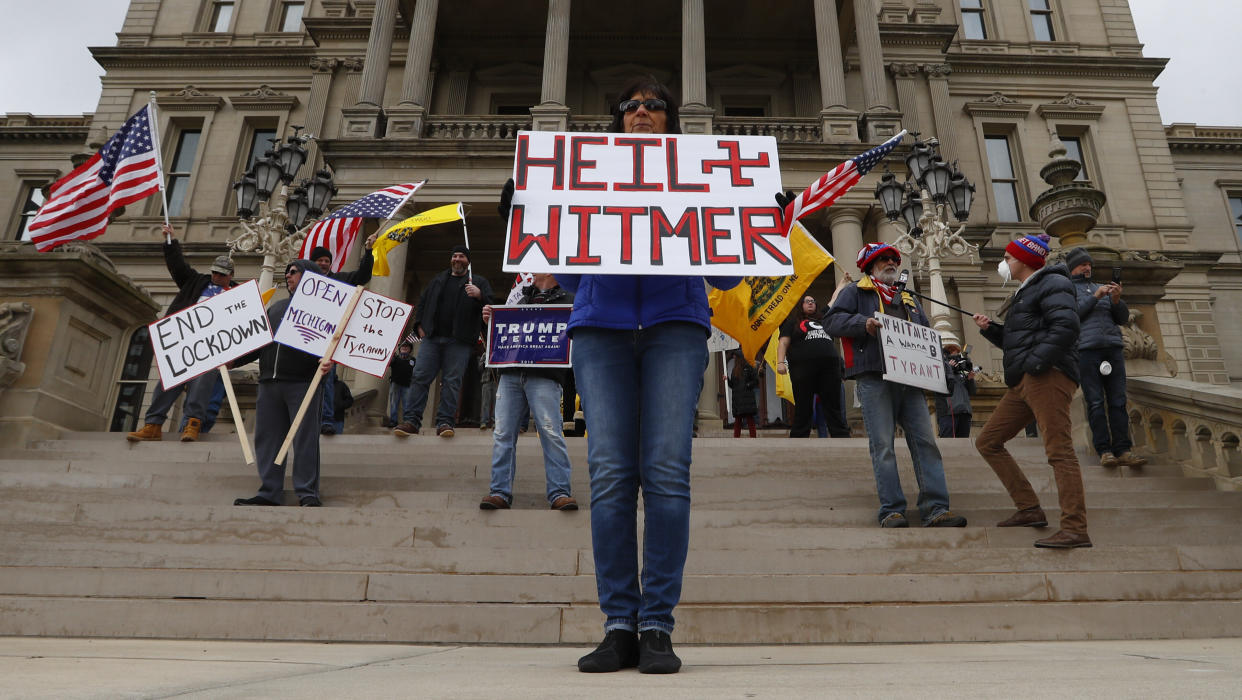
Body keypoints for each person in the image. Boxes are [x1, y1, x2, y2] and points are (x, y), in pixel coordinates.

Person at [500, 77, 741, 674]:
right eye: (629, 106)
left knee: (665, 470)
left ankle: (656, 624)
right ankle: (618, 624)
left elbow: (730, 281)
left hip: (676, 326)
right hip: (601, 329)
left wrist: (756, 222)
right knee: (609, 474)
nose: (641, 112)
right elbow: (561, 269)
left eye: (654, 105)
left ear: (670, 120)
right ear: (616, 120)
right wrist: (529, 218)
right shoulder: (587, 177)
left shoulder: (699, 177)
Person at [823, 243, 967, 529]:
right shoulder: (855, 291)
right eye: (883, 259)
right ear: (870, 266)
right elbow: (832, 322)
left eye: (894, 259)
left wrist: (945, 377)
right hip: (874, 377)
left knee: (926, 443)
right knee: (883, 446)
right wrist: (864, 323)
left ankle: (936, 508)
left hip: (911, 381)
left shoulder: (908, 299)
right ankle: (892, 509)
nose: (891, 263)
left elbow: (927, 337)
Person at [973, 233, 1091, 549]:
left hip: (1046, 377)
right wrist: (991, 331)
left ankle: (1075, 528)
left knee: (1059, 450)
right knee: (988, 441)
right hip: (1026, 380)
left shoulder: (1053, 283)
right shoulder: (1028, 290)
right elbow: (1024, 340)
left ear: (1024, 260)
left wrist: (1036, 364)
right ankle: (1029, 508)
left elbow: (1066, 327)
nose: (1004, 263)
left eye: (1009, 258)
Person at [232, 259, 332, 507]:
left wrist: (331, 363)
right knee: (268, 439)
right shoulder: (275, 309)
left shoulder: (322, 310)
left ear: (308, 276)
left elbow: (335, 345)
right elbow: (258, 344)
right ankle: (269, 491)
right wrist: (231, 361)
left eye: (294, 271)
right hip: (269, 383)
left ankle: (307, 492)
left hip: (303, 383)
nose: (288, 275)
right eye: (287, 271)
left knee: (304, 440)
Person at [127, 224, 237, 443]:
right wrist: (170, 242)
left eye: (222, 274)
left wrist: (234, 355)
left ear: (231, 275)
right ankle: (153, 425)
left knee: (202, 385)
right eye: (214, 272)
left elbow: (243, 328)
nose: (216, 277)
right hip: (184, 341)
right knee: (166, 383)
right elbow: (177, 266)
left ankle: (192, 425)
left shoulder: (238, 295)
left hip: (212, 347)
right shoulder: (196, 281)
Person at [478, 274, 577, 511]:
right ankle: (499, 491)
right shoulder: (521, 301)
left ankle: (560, 492)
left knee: (551, 432)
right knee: (502, 434)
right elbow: (502, 337)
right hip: (511, 374)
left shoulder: (570, 300)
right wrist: (489, 322)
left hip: (544, 375)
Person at [392, 246, 493, 438]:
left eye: (461, 256)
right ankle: (412, 421)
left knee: (452, 382)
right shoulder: (438, 280)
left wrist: (480, 295)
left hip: (459, 341)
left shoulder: (478, 282)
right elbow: (423, 302)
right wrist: (419, 325)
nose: (457, 259)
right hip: (432, 339)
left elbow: (490, 306)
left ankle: (445, 422)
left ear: (468, 261)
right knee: (420, 377)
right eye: (454, 255)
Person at [1066, 247, 1146, 468]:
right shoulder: (1067, 289)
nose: (1088, 268)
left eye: (1089, 264)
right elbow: (1073, 317)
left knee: (1119, 401)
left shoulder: (1100, 285)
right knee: (1095, 402)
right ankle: (1104, 450)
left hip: (1112, 347)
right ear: (1073, 267)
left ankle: (1123, 449)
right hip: (1087, 350)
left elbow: (1121, 318)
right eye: (1083, 264)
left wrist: (1117, 299)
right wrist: (1095, 297)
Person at [309, 236, 378, 435]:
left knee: (327, 380)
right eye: (319, 260)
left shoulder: (339, 280)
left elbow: (363, 276)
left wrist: (368, 252)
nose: (323, 263)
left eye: (326, 261)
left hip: (328, 340)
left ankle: (326, 420)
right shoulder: (303, 283)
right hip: (304, 338)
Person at [776, 295, 849, 438]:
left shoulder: (824, 319)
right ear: (801, 305)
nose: (810, 303)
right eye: (807, 301)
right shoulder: (792, 323)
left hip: (829, 368)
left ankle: (841, 435)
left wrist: (843, 283)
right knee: (803, 405)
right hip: (803, 368)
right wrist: (780, 362)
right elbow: (783, 343)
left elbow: (833, 301)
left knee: (833, 405)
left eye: (813, 301)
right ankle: (799, 436)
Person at [935, 342, 977, 438]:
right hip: (948, 413)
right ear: (947, 357)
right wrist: (948, 369)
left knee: (963, 444)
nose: (957, 360)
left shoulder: (961, 374)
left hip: (965, 413)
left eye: (958, 357)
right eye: (954, 357)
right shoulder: (941, 371)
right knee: (948, 444)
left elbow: (972, 392)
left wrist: (970, 379)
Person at [726, 349, 759, 438]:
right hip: (738, 399)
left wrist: (747, 385)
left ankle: (753, 438)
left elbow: (756, 381)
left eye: (735, 356)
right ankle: (736, 438)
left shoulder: (749, 367)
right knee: (738, 420)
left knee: (750, 419)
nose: (734, 358)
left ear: (739, 357)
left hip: (747, 398)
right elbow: (732, 385)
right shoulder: (734, 370)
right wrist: (727, 380)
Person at [386, 341, 415, 428]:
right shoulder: (395, 358)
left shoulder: (413, 360)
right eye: (403, 347)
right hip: (395, 384)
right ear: (400, 349)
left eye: (407, 347)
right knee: (394, 403)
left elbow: (416, 371)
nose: (404, 348)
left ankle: (407, 422)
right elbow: (388, 364)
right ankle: (393, 421)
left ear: (410, 349)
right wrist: (391, 356)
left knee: (407, 404)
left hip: (407, 385)